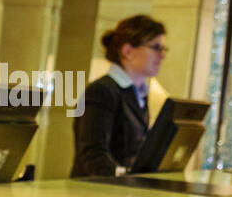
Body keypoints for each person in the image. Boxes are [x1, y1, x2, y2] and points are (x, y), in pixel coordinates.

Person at [70, 14, 168, 177]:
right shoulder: (101, 91)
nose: (162, 55)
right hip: (93, 196)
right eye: (156, 48)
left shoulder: (139, 94)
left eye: (163, 49)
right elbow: (93, 156)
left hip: (119, 195)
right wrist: (128, 176)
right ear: (128, 51)